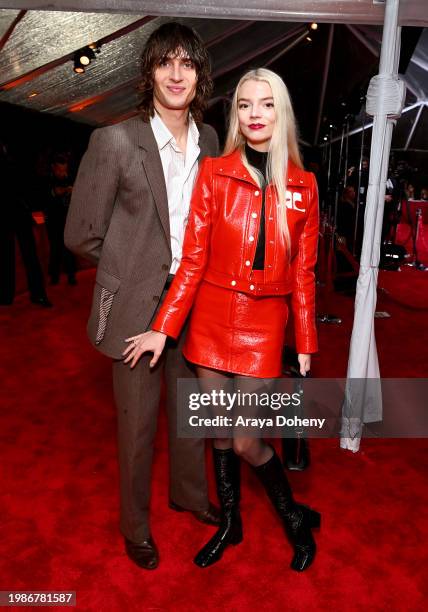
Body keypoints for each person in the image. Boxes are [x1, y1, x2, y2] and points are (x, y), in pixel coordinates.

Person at [124, 68, 321, 572]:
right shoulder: (214, 173)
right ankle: (231, 522)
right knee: (216, 431)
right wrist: (163, 326)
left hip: (264, 325)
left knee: (246, 438)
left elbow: (305, 271)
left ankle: (293, 518)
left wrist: (304, 338)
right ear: (235, 115)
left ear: (282, 112)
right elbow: (192, 260)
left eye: (266, 104)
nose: (255, 114)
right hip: (210, 320)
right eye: (245, 105)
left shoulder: (304, 185)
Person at [64, 22, 220, 571]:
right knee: (136, 427)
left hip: (193, 301)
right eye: (165, 63)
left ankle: (190, 496)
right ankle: (135, 527)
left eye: (187, 63)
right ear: (149, 72)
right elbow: (80, 233)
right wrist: (130, 273)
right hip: (135, 305)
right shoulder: (114, 140)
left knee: (190, 413)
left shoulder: (213, 143)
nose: (176, 74)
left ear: (200, 75)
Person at [0, 140, 51, 307]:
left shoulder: (19, 160)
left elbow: (30, 186)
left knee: (28, 255)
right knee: (10, 256)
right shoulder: (15, 162)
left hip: (19, 212)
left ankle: (36, 294)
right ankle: (8, 296)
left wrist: (34, 211)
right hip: (9, 213)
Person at [43, 153, 77, 285]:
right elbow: (52, 193)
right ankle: (54, 276)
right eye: (59, 169)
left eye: (64, 169)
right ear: (53, 167)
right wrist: (63, 190)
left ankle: (71, 275)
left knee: (69, 249)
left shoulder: (70, 178)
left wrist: (74, 190)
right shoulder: (47, 180)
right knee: (55, 248)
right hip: (53, 220)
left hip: (68, 220)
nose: (62, 172)